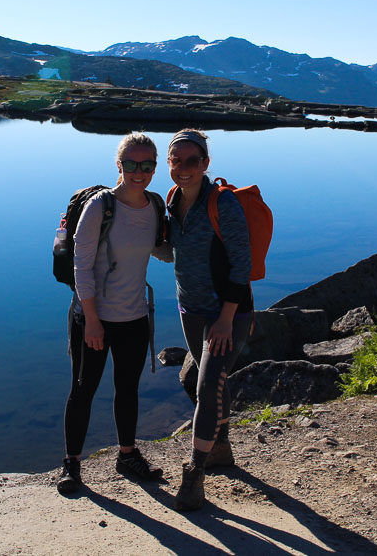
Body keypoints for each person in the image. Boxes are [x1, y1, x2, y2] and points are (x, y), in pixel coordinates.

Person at [58, 133, 167, 494]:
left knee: (128, 389)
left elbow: (161, 250)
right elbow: (81, 266)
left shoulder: (153, 205)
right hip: (94, 318)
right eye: (132, 165)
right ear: (118, 166)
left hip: (134, 317)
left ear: (154, 167)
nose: (140, 172)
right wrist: (91, 319)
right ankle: (72, 464)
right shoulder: (101, 207)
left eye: (147, 165)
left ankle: (127, 454)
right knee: (82, 390)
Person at [165, 129, 253, 512]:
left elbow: (242, 264)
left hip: (226, 314)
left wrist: (225, 319)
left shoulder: (224, 204)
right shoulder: (172, 201)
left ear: (205, 163)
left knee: (206, 389)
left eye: (191, 161)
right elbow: (173, 253)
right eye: (175, 161)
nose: (183, 168)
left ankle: (194, 473)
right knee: (214, 382)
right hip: (190, 310)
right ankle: (221, 449)